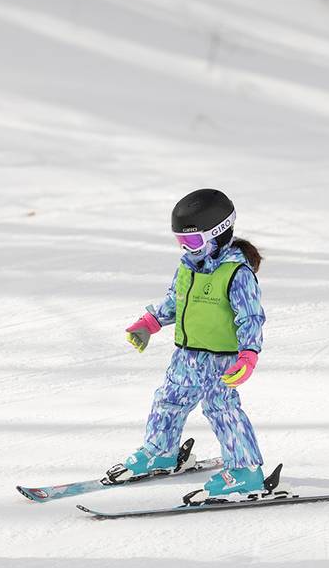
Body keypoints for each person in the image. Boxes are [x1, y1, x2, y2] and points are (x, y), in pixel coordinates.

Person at [116, 188, 273, 501]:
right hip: (186, 355)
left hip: (221, 360)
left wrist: (248, 355)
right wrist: (149, 323)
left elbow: (251, 318)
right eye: (181, 241)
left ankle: (245, 471)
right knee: (168, 400)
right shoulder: (187, 267)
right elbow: (176, 302)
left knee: (221, 409)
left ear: (219, 235)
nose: (187, 249)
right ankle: (160, 451)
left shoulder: (236, 274)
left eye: (193, 241)